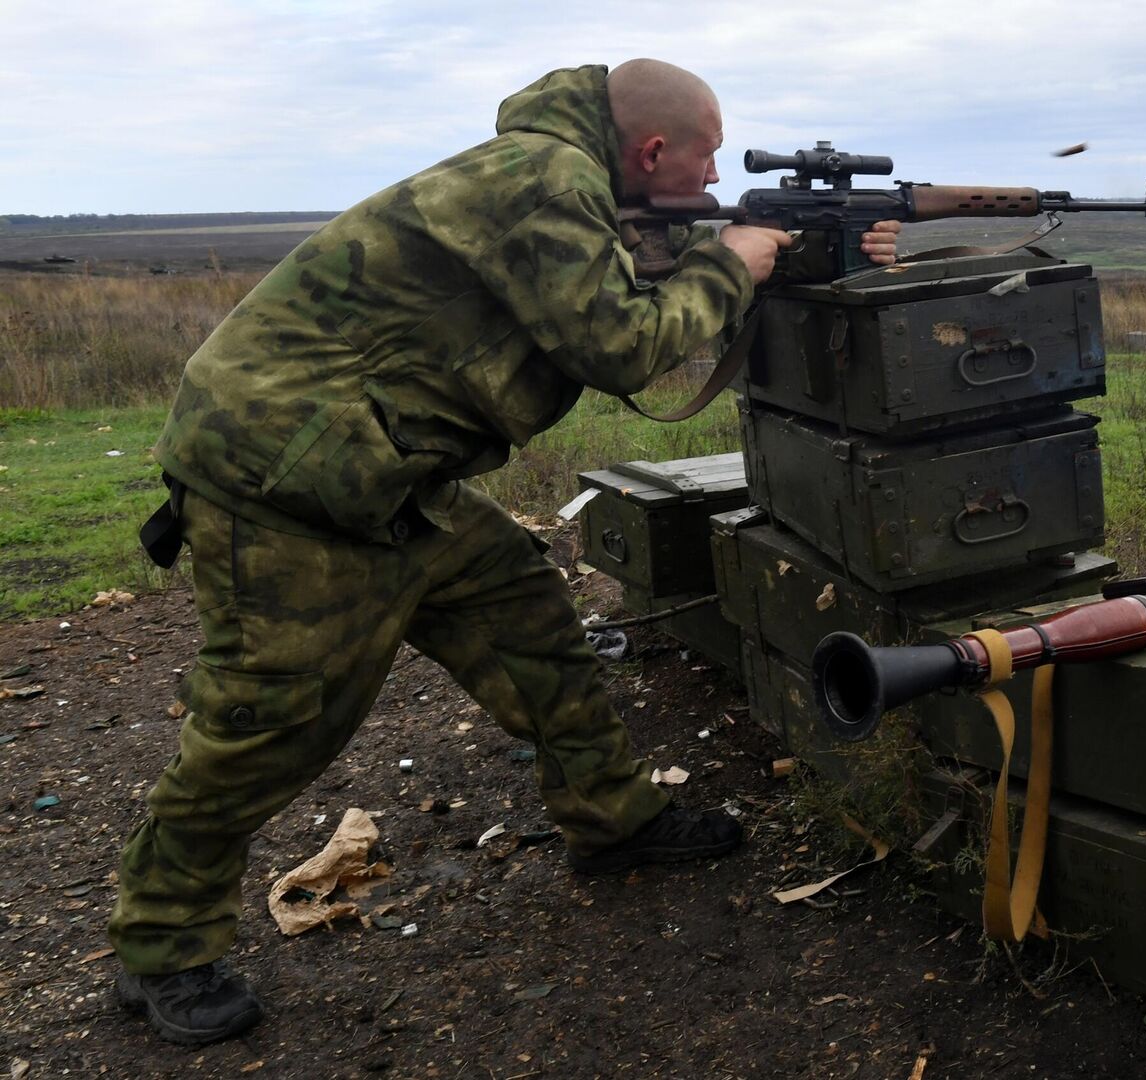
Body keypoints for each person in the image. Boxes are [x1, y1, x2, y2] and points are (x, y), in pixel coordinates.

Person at [109, 58, 901, 1046]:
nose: (707, 194)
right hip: (288, 483)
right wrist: (733, 259)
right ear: (651, 151)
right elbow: (623, 341)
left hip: (383, 477)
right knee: (268, 723)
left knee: (529, 620)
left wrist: (823, 250)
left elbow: (635, 280)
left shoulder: (564, 187)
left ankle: (614, 821)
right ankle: (159, 948)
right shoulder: (542, 178)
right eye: (701, 171)